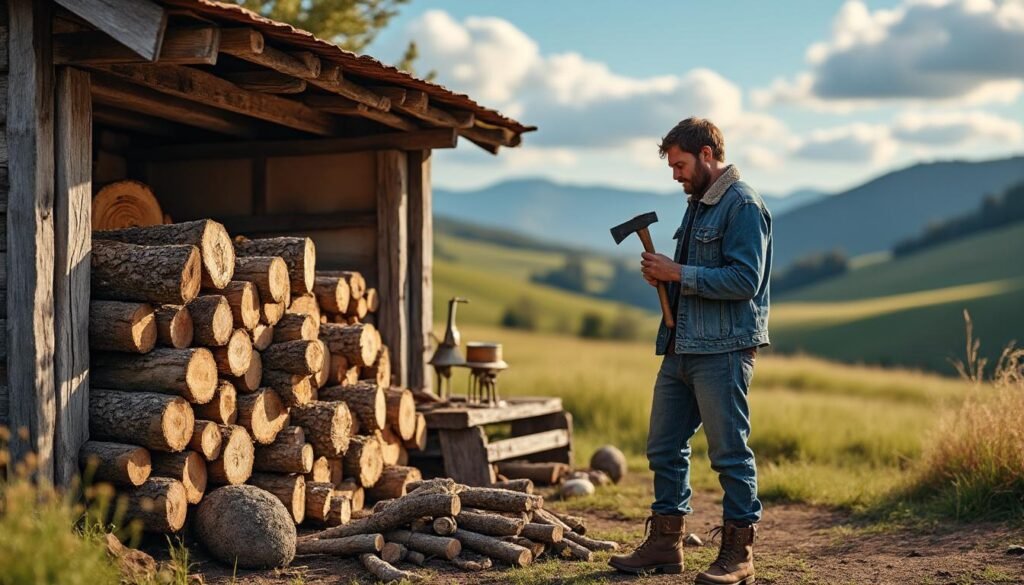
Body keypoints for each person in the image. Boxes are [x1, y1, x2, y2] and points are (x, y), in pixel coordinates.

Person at [608, 117, 772, 585]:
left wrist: (677, 273)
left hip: (723, 352)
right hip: (680, 347)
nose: (675, 175)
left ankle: (739, 555)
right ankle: (665, 545)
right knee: (662, 447)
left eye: (680, 164)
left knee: (729, 454)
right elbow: (694, 273)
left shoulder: (742, 206)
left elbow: (745, 281)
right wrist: (664, 275)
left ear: (706, 154)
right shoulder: (697, 204)